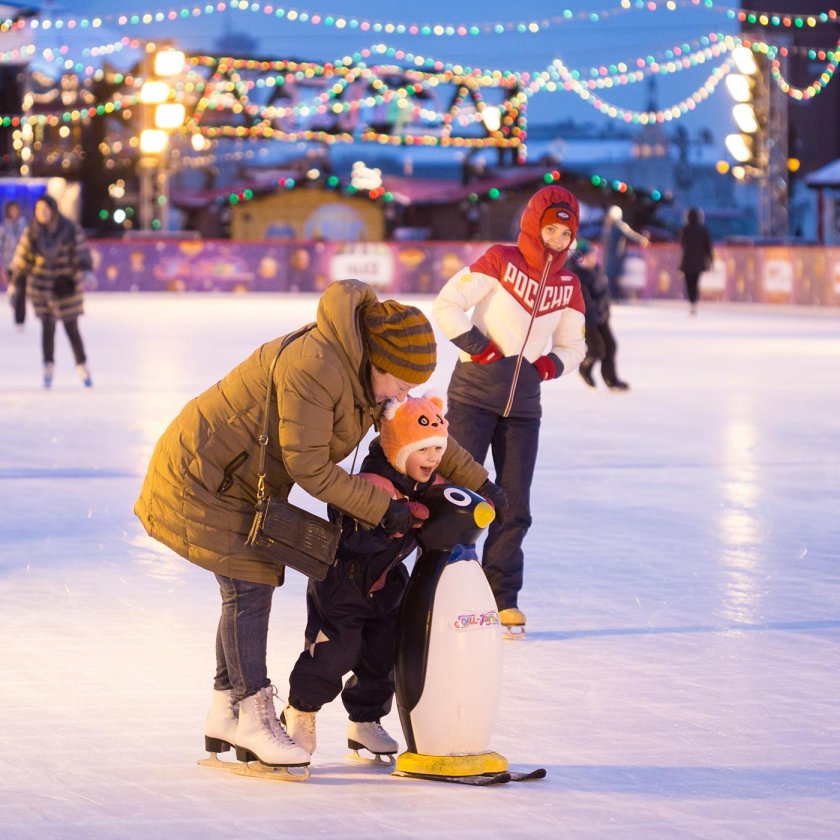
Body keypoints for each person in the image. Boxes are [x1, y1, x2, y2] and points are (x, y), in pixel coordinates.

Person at [134, 279, 502, 772]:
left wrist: (482, 481)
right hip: (204, 474)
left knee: (246, 584)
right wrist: (382, 506)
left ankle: (226, 711)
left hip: (242, 478)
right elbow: (309, 468)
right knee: (249, 583)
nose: (404, 394)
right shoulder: (316, 367)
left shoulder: (367, 371)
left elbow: (415, 425)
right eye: (400, 383)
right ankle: (251, 715)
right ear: (377, 362)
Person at [432, 184, 587, 634]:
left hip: (523, 409)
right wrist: (478, 347)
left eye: (566, 233)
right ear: (535, 226)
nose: (558, 239)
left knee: (514, 505)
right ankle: (441, 586)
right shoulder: (501, 260)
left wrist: (547, 367)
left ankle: (502, 598)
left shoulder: (569, 285)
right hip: (473, 397)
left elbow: (574, 345)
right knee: (458, 495)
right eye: (551, 229)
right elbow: (447, 304)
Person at [284, 392, 461, 759]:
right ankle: (301, 710)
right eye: (423, 450)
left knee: (381, 657)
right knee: (334, 655)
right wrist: (392, 525)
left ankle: (365, 721)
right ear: (400, 449)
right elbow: (350, 540)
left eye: (437, 449)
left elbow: (447, 505)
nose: (432, 458)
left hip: (387, 585)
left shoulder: (425, 483)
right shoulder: (369, 483)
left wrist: (470, 508)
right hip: (343, 585)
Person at [8, 195, 93, 388]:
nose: (42, 213)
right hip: (42, 288)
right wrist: (15, 282)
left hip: (66, 287)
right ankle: (48, 366)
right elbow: (21, 259)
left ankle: (82, 365)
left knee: (71, 327)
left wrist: (85, 269)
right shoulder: (32, 232)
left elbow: (81, 251)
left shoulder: (69, 228)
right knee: (48, 328)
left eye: (45, 209)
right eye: (38, 210)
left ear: (53, 210)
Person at [568, 239, 629, 391]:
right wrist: (596, 316)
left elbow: (604, 293)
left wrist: (605, 311)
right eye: (588, 256)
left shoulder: (597, 270)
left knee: (611, 346)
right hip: (586, 320)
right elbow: (586, 303)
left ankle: (611, 379)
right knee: (596, 349)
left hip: (601, 315)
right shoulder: (576, 276)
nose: (593, 259)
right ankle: (585, 369)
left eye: (593, 255)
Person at [601, 205, 650, 302]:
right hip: (610, 256)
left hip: (616, 257)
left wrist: (641, 240)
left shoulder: (619, 226)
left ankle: (615, 297)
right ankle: (612, 297)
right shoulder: (609, 227)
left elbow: (630, 234)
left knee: (613, 278)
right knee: (610, 277)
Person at [678, 206, 714, 315]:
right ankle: (694, 302)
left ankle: (692, 302)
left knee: (689, 283)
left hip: (687, 261)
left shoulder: (685, 230)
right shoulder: (703, 230)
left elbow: (682, 244)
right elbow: (708, 247)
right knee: (695, 283)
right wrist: (710, 260)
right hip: (699, 261)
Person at [1, 200, 28, 328]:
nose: (14, 212)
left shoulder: (25, 226)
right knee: (14, 291)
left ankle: (20, 320)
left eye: (16, 209)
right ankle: (14, 302)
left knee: (21, 292)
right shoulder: (4, 227)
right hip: (9, 264)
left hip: (23, 264)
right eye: (11, 209)